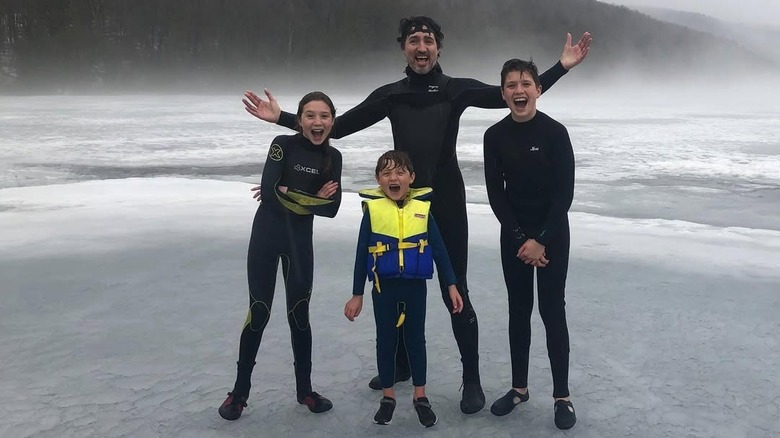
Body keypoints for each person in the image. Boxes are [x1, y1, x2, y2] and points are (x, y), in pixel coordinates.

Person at [243, 16, 591, 413]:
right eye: (414, 40)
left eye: (428, 40)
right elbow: (338, 128)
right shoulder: (391, 95)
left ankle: (471, 379)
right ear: (404, 48)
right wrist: (284, 118)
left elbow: (507, 95)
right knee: (397, 282)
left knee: (454, 287)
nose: (421, 46)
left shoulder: (454, 90)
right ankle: (402, 366)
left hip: (445, 202)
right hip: (404, 202)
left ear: (438, 47)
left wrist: (560, 67)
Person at [218, 91, 343, 421]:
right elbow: (269, 194)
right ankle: (239, 393)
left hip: (299, 243)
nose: (317, 122)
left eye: (324, 116)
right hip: (266, 238)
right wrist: (310, 195)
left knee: (299, 315)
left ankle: (306, 391)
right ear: (299, 120)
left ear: (332, 121)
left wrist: (288, 192)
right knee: (258, 312)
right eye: (310, 115)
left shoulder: (335, 158)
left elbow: (332, 209)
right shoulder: (282, 145)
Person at [482, 58, 576, 429]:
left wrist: (542, 240)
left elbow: (564, 194)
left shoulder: (555, 133)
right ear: (503, 93)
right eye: (510, 85)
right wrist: (523, 239)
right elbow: (495, 194)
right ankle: (519, 388)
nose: (518, 91)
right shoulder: (495, 135)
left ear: (538, 88)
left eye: (525, 84)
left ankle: (562, 396)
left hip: (553, 234)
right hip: (515, 236)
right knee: (518, 311)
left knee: (553, 311)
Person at [344, 150, 464, 427]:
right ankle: (388, 397)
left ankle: (420, 396)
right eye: (386, 173)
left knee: (415, 340)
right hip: (382, 288)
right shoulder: (372, 212)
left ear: (411, 177)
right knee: (385, 341)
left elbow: (440, 250)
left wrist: (452, 285)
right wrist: (357, 294)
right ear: (378, 179)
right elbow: (362, 252)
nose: (393, 177)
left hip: (414, 287)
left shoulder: (423, 211)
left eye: (399, 172)